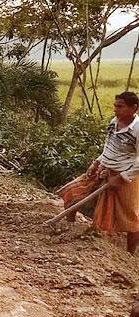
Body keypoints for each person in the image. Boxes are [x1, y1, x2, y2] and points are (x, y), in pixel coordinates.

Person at [59, 91, 139, 253]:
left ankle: (130, 254)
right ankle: (70, 228)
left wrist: (122, 177)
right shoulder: (114, 122)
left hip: (126, 176)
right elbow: (108, 147)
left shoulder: (137, 129)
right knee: (73, 192)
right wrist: (96, 163)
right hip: (104, 169)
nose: (115, 109)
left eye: (120, 106)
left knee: (130, 218)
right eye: (115, 105)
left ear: (134, 108)